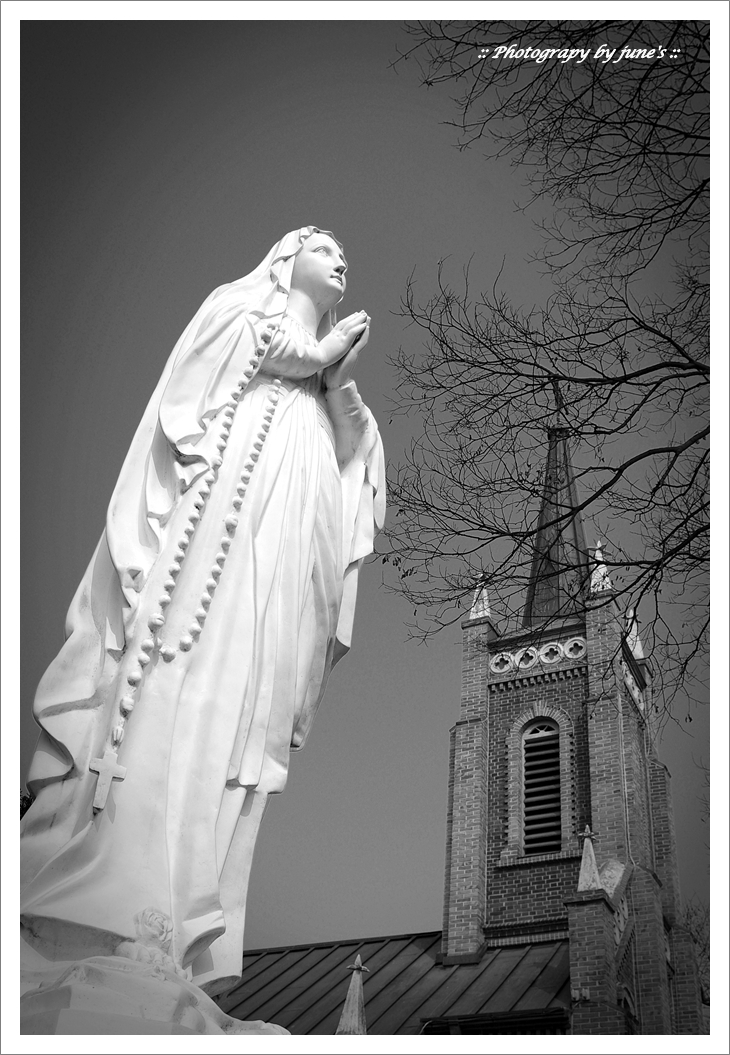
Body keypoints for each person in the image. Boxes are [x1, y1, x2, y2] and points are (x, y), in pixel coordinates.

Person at [20, 227, 385, 994]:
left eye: (344, 250)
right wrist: (313, 360)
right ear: (287, 258)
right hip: (208, 551)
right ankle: (114, 904)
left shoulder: (322, 392)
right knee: (172, 694)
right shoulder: (241, 311)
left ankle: (177, 927)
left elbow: (352, 478)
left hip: (276, 578)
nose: (340, 255)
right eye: (324, 244)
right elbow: (201, 377)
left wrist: (339, 390)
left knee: (231, 733)